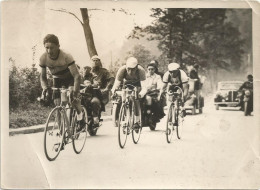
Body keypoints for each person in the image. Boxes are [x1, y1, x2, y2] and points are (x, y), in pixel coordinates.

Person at [39, 34, 83, 132]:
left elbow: (77, 76)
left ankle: (80, 116)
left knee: (73, 99)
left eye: (52, 48)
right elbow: (42, 77)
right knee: (58, 104)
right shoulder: (43, 58)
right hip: (57, 79)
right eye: (47, 48)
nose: (49, 51)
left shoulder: (66, 56)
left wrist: (75, 91)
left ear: (58, 46)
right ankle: (61, 131)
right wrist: (45, 88)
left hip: (70, 78)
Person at [111, 57, 147, 127]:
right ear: (126, 66)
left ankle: (137, 121)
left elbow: (144, 87)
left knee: (134, 97)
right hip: (127, 84)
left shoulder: (141, 71)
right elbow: (116, 84)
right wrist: (113, 91)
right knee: (123, 99)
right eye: (128, 69)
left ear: (136, 67)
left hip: (138, 85)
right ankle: (126, 118)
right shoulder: (122, 70)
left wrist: (140, 94)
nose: (130, 72)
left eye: (132, 69)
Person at [83, 55, 115, 126]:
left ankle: (95, 117)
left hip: (99, 93)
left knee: (95, 102)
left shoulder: (104, 71)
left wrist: (107, 88)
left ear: (100, 62)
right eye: (93, 60)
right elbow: (82, 80)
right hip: (87, 93)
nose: (95, 62)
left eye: (97, 60)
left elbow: (112, 78)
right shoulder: (87, 71)